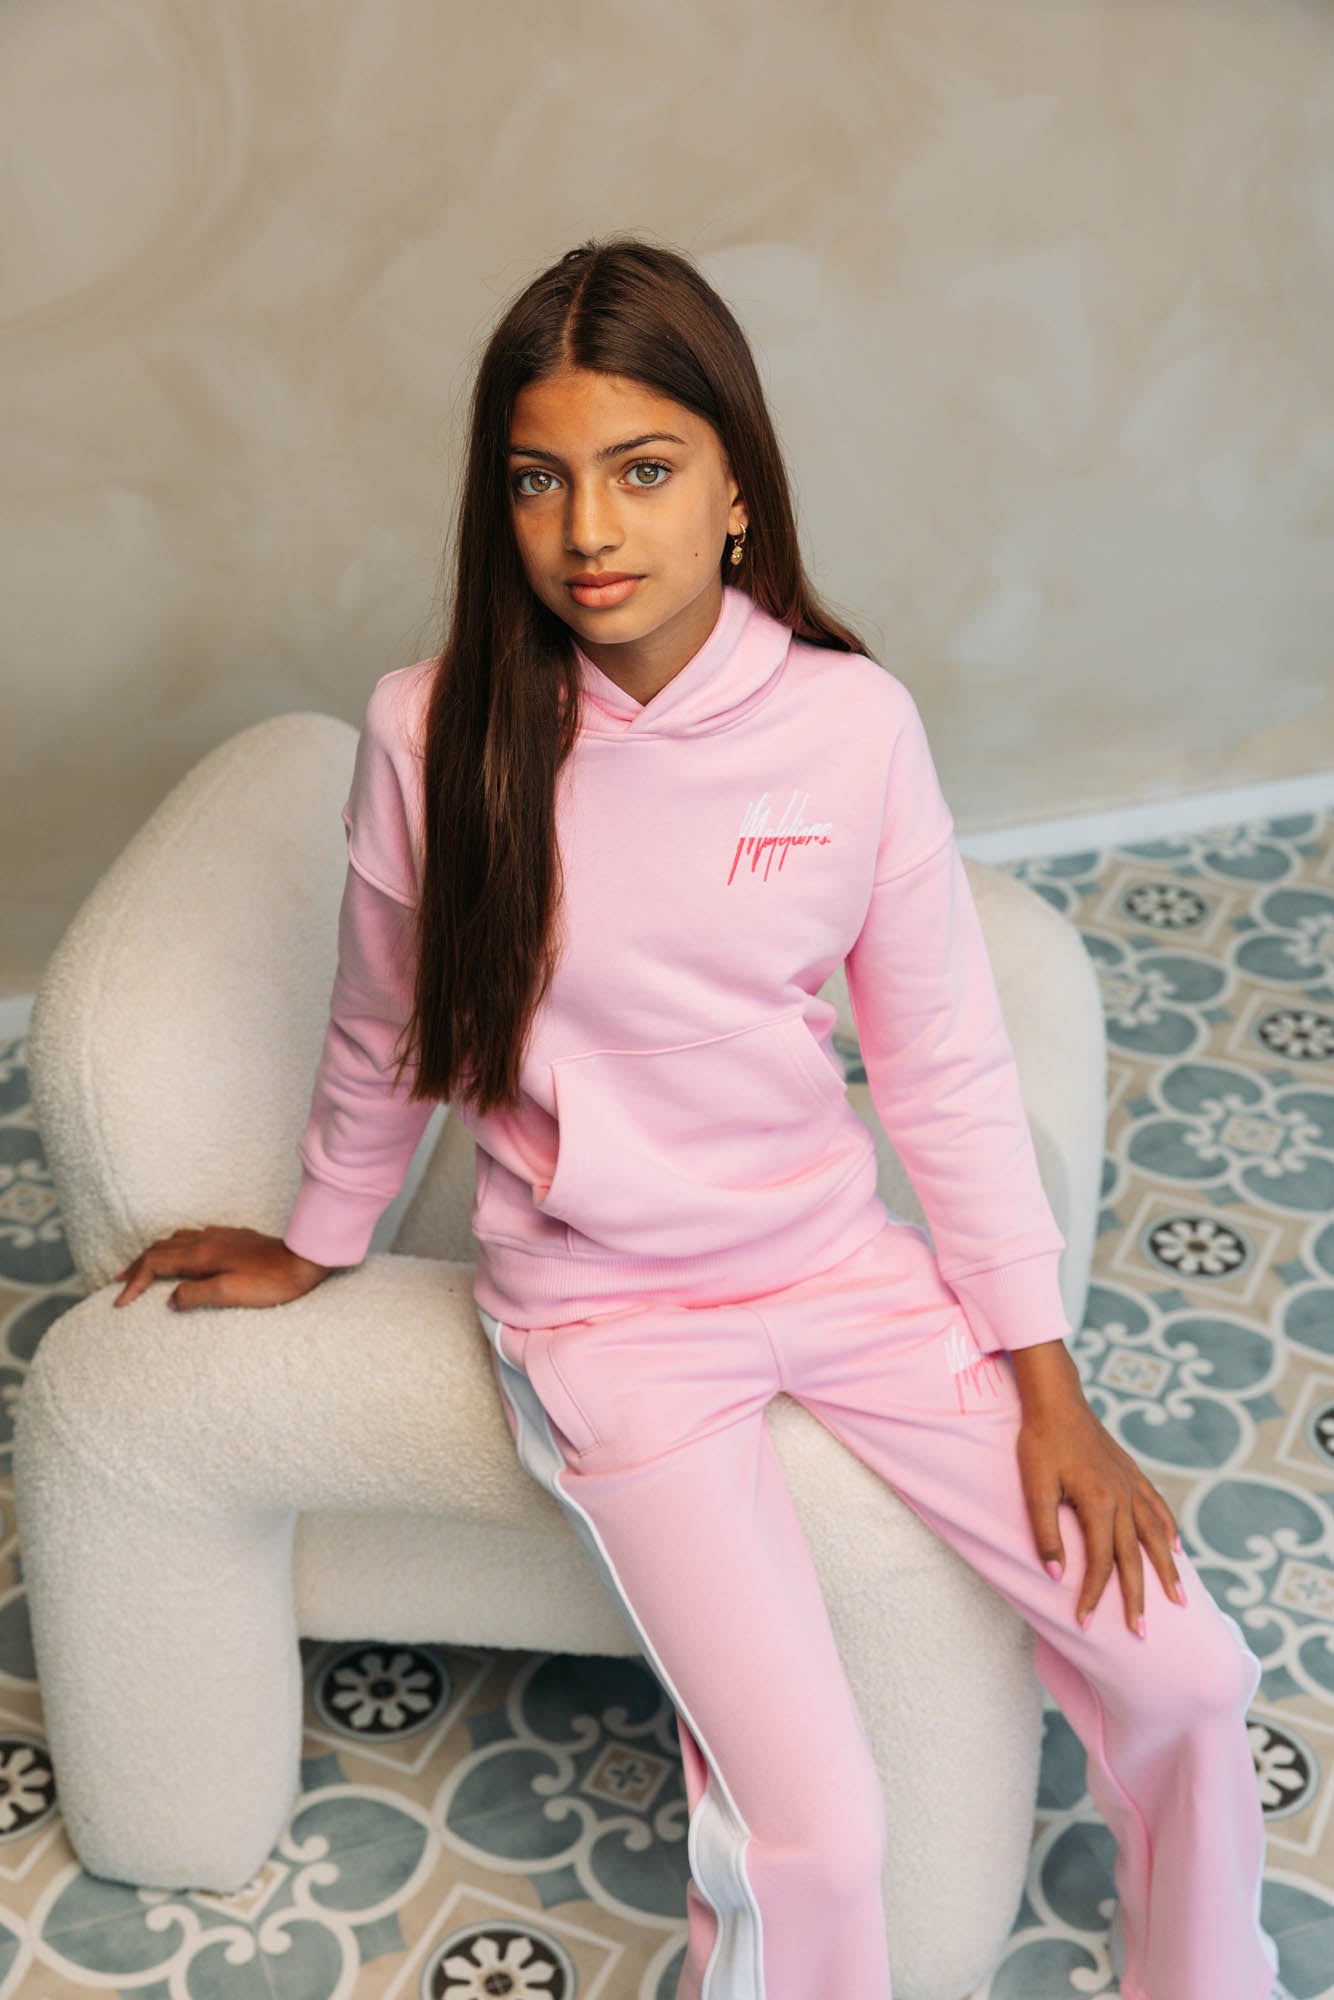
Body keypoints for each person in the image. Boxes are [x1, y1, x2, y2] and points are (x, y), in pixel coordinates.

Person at [112, 236, 1288, 2000]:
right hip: (609, 1327)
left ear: (736, 489)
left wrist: (1050, 1388)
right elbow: (380, 1027)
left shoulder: (849, 725)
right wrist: (317, 1241)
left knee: (1188, 1671)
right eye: (540, 479)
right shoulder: (432, 733)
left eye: (643, 470)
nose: (589, 529)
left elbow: (942, 1065)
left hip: (839, 1269)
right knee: (818, 1832)